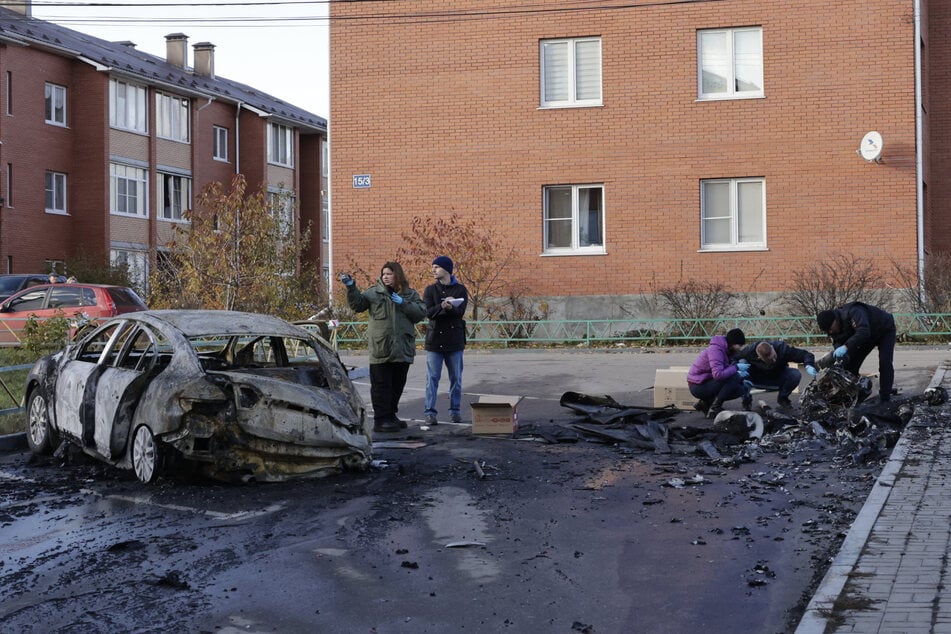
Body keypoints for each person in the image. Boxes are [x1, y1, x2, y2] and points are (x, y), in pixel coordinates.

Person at [341, 262, 426, 432]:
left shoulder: (410, 294)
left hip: (402, 347)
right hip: (381, 347)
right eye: (383, 273)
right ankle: (381, 420)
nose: (385, 276)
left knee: (397, 384)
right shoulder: (374, 293)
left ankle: (391, 415)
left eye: (389, 273)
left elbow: (420, 314)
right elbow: (358, 305)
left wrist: (403, 303)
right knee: (381, 385)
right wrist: (351, 287)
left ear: (398, 275)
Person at [816, 302, 897, 402]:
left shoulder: (854, 311)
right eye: (828, 332)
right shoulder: (833, 329)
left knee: (885, 362)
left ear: (835, 321)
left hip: (884, 329)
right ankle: (853, 396)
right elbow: (837, 341)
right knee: (850, 365)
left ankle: (885, 396)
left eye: (831, 329)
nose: (831, 332)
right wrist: (842, 357)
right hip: (865, 337)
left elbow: (863, 331)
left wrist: (846, 346)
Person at [422, 255, 469, 425]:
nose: (433, 270)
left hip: (454, 341)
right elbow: (428, 312)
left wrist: (450, 308)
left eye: (436, 267)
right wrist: (442, 306)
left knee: (456, 378)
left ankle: (455, 410)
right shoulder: (430, 290)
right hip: (435, 341)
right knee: (432, 378)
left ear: (447, 269)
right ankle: (429, 412)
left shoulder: (460, 289)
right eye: (433, 267)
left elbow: (460, 312)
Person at [734, 340, 818, 410]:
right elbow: (733, 358)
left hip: (777, 377)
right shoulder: (749, 351)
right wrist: (736, 368)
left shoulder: (782, 349)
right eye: (770, 360)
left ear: (772, 347)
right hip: (755, 379)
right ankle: (746, 400)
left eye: (774, 356)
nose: (774, 360)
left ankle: (783, 398)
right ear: (759, 358)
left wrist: (808, 365)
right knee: (742, 362)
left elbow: (805, 355)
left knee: (795, 374)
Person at [687, 328, 751, 418]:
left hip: (706, 382)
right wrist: (737, 368)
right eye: (739, 345)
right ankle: (715, 408)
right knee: (734, 377)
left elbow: (725, 371)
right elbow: (718, 375)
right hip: (697, 386)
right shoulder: (716, 350)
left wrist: (741, 380)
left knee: (740, 389)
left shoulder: (727, 350)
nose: (740, 348)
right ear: (733, 343)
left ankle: (705, 404)